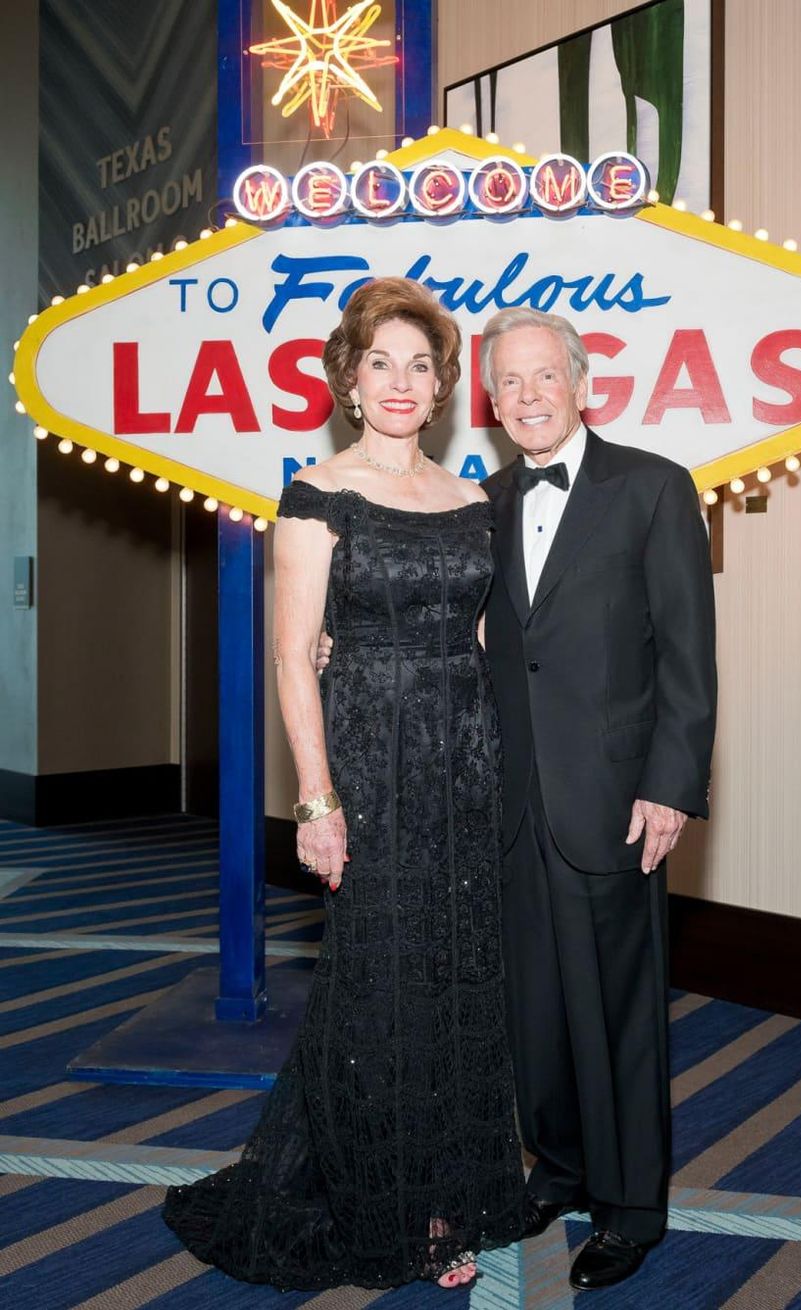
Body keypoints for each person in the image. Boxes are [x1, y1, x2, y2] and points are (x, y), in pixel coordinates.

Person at [162, 278, 525, 1291]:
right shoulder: (315, 494)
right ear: (350, 381)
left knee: (458, 980)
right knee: (380, 979)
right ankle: (387, 1199)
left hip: (467, 759)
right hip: (369, 760)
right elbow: (290, 656)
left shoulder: (470, 499)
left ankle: (449, 1188)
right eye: (382, 363)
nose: (402, 382)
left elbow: (491, 637)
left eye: (422, 364)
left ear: (443, 384)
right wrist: (316, 800)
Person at [480, 307, 717, 1291]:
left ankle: (629, 1205)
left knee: (616, 1011)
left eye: (544, 377)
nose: (527, 396)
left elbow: (687, 655)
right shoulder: (484, 500)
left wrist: (670, 781)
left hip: (615, 798)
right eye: (508, 384)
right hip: (510, 797)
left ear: (583, 384)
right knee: (531, 1009)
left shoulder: (652, 489)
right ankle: (561, 1163)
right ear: (489, 405)